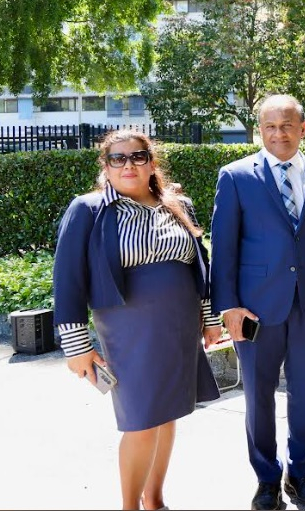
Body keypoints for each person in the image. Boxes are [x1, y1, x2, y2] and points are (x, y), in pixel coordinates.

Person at [52, 129, 223, 510]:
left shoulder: (178, 205)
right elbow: (67, 280)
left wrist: (210, 320)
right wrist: (76, 346)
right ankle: (130, 506)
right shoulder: (89, 210)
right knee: (141, 420)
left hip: (179, 326)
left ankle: (155, 501)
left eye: (138, 156)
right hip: (129, 330)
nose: (128, 164)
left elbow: (201, 267)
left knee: (166, 415)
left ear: (152, 162)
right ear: (106, 166)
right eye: (118, 158)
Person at [210, 95, 305, 510]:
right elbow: (223, 246)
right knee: (259, 396)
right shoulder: (235, 177)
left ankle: (301, 473)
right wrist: (228, 305)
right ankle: (266, 477)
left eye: (286, 125)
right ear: (259, 130)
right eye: (269, 126)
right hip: (254, 310)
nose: (278, 133)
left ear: (303, 128)